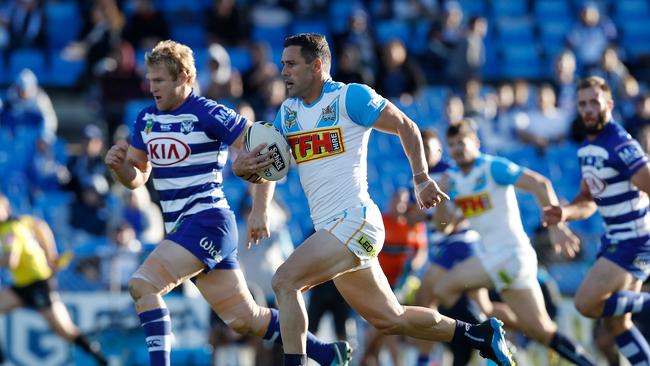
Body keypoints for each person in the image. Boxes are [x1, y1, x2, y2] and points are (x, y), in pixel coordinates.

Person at [237, 33, 514, 366]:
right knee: (390, 319)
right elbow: (271, 162)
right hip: (334, 231)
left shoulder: (348, 98)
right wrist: (259, 207)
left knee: (284, 281)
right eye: (282, 64)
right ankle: (479, 334)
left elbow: (406, 126)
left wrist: (422, 178)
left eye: (291, 64)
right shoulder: (288, 112)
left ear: (317, 65)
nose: (284, 72)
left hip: (356, 221)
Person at [104, 40, 351, 366]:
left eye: (159, 80)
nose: (152, 88)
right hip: (183, 228)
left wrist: (261, 209)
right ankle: (325, 352)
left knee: (142, 284)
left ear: (183, 78)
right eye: (150, 80)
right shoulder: (146, 119)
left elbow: (268, 148)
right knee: (244, 318)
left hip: (206, 219)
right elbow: (137, 177)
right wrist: (120, 166)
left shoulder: (207, 113)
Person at [432, 119, 596, 365]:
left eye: (462, 143)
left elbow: (540, 184)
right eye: (452, 144)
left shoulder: (491, 168)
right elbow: (443, 226)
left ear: (476, 143)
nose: (457, 148)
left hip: (510, 253)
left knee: (444, 288)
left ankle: (489, 343)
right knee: (540, 329)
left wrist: (557, 228)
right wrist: (442, 198)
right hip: (499, 258)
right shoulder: (452, 180)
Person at [543, 76, 650, 365]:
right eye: (582, 104)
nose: (588, 109)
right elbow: (590, 201)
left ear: (609, 104)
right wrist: (564, 213)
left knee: (585, 303)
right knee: (616, 325)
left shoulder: (619, 144)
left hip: (636, 240)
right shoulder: (588, 148)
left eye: (594, 102)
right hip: (616, 240)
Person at [0, 193, 108, 365]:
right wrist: (51, 253)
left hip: (38, 283)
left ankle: (102, 359)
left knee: (64, 330)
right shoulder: (21, 222)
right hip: (22, 285)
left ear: (6, 208)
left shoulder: (9, 229)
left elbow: (11, 260)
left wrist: (51, 255)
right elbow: (41, 226)